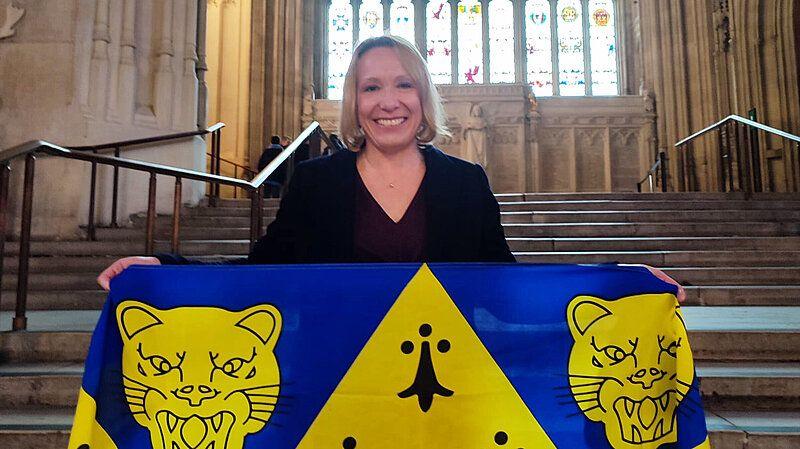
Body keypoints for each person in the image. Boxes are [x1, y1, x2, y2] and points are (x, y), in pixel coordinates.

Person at [96, 35, 685, 302]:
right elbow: (262, 273)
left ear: (424, 100)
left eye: (404, 85)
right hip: (338, 382)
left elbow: (507, 286)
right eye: (371, 87)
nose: (388, 101)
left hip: (448, 382)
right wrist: (165, 268)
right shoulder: (317, 181)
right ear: (354, 102)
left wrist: (617, 283)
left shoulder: (465, 184)